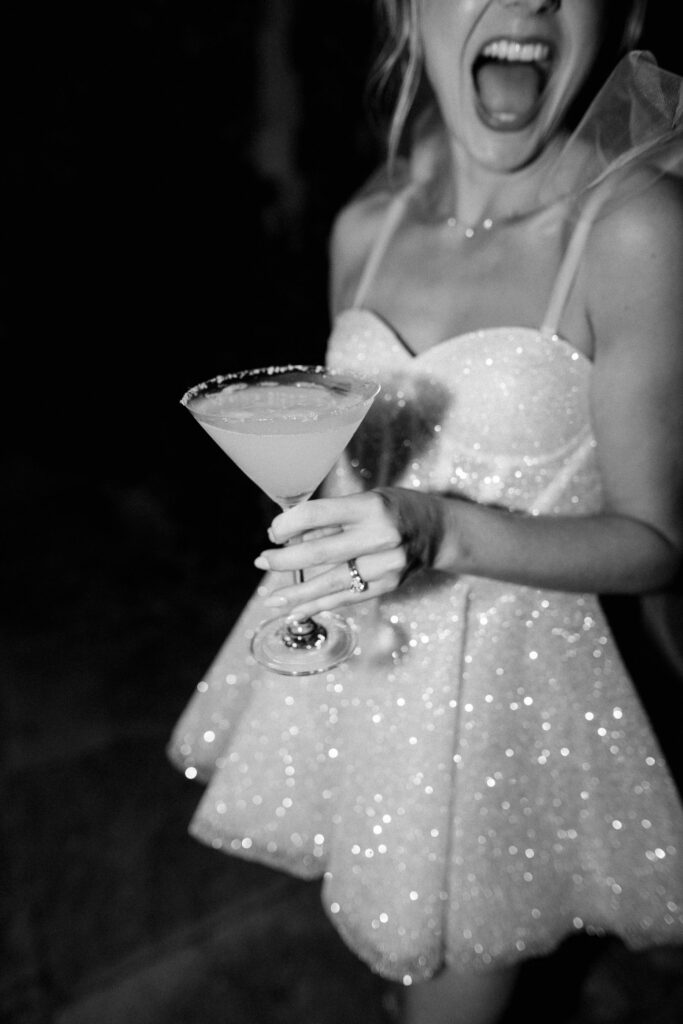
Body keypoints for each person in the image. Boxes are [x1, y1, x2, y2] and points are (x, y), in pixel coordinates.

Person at [169, 1, 683, 1021]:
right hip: (364, 676)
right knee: (388, 958)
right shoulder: (362, 228)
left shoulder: (632, 232)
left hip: (505, 709)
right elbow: (349, 468)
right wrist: (327, 513)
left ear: (613, 16)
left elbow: (654, 544)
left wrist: (436, 529)